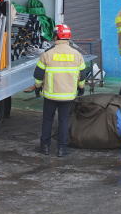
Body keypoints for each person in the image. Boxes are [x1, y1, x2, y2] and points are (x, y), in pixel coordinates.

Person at [33, 24, 86, 157]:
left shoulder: (47, 54)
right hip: (67, 95)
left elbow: (38, 74)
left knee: (47, 119)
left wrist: (38, 88)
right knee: (63, 120)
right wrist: (81, 88)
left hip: (50, 95)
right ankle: (62, 148)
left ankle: (44, 146)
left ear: (56, 36)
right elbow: (83, 74)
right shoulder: (77, 54)